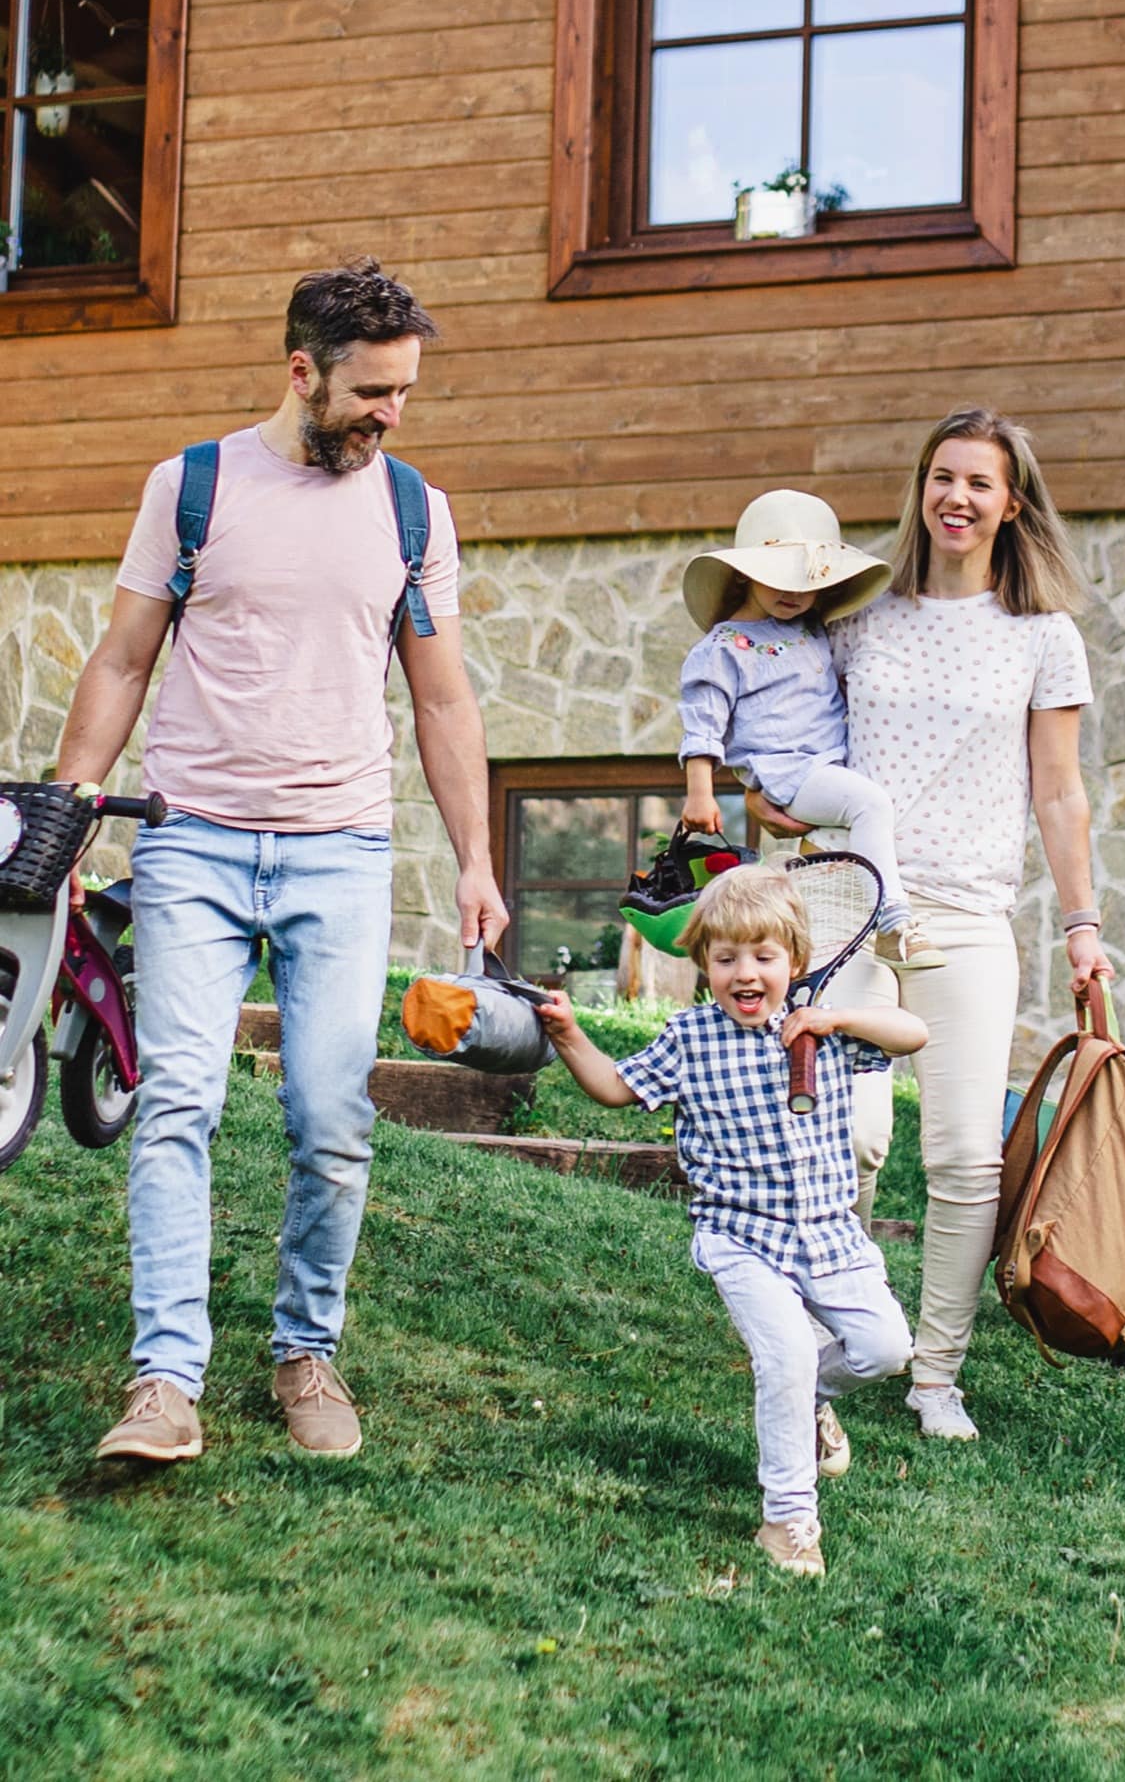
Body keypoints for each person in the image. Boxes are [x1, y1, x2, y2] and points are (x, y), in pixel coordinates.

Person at [54, 258, 506, 1468]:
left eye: (406, 391)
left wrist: (475, 858)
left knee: (329, 1115)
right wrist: (71, 809)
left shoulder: (415, 510)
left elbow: (445, 701)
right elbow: (121, 660)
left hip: (342, 853)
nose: (391, 414)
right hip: (193, 839)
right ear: (301, 371)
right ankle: (164, 1380)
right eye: (371, 391)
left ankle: (307, 1349)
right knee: (178, 1105)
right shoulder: (192, 486)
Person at [756, 407, 1115, 1445]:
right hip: (842, 908)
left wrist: (1081, 924)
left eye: (980, 483)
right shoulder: (858, 614)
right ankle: (829, 1352)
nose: (957, 497)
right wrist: (763, 796)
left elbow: (1058, 792)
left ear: (1012, 504)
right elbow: (782, 735)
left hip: (965, 916)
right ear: (922, 489)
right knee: (849, 1134)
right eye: (943, 477)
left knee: (964, 1159)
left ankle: (935, 1376)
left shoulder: (1044, 638)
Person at [535, 865, 925, 1580]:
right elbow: (615, 1088)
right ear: (703, 964)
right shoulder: (690, 1038)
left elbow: (914, 1032)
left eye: (764, 956)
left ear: (796, 963)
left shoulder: (823, 1034)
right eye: (726, 958)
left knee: (885, 1349)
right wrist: (567, 1035)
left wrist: (836, 1018)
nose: (745, 973)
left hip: (831, 1235)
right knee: (786, 1357)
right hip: (743, 1239)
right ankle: (788, 1522)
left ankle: (808, 1407)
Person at [675, 489, 942, 969]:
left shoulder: (809, 627)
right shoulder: (723, 648)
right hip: (788, 771)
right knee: (870, 804)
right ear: (743, 573)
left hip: (825, 765)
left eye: (809, 581)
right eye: (778, 578)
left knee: (853, 818)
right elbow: (703, 722)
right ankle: (893, 921)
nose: (793, 592)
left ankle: (848, 901)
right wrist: (701, 793)